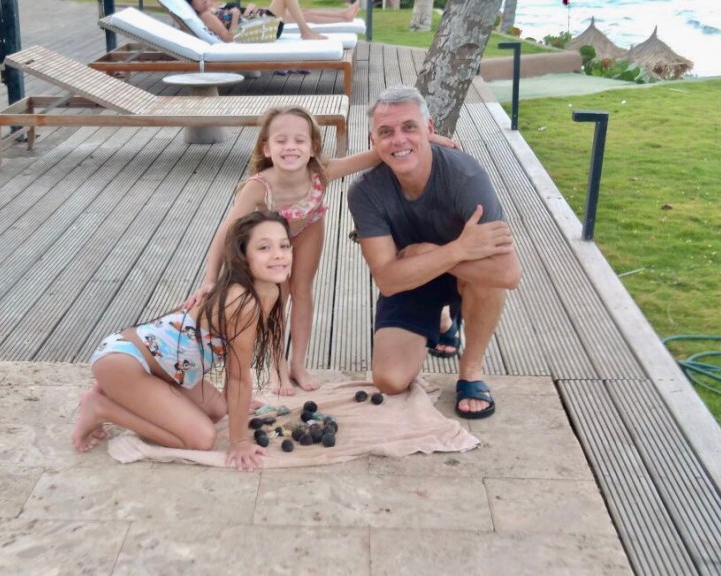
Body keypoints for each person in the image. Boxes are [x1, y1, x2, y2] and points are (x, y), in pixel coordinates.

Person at [183, 106, 459, 396]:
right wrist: (210, 279)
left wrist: (427, 138)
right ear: (266, 148)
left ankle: (298, 364)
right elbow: (226, 231)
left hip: (308, 227)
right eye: (281, 141)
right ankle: (278, 364)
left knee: (302, 290)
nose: (291, 147)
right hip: (272, 239)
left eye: (299, 140)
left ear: (313, 147)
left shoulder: (320, 173)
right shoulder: (258, 186)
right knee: (277, 296)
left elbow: (376, 154)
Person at [347, 86, 522, 419]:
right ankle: (443, 319)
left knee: (487, 281)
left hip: (464, 277)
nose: (398, 139)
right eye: (386, 132)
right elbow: (387, 280)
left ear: (429, 129)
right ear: (373, 141)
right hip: (411, 279)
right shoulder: (364, 191)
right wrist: (458, 249)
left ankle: (471, 370)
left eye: (409, 127)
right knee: (389, 380)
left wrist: (428, 252)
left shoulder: (466, 177)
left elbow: (508, 275)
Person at [72, 210, 292, 472]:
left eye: (284, 245)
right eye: (264, 247)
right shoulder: (240, 301)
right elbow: (238, 376)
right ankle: (101, 407)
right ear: (243, 256)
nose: (278, 254)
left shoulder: (270, 290)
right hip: (125, 360)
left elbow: (233, 355)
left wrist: (236, 404)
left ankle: (119, 391)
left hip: (162, 369)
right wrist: (240, 442)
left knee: (217, 410)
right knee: (201, 439)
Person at [190, 0, 359, 42]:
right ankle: (306, 32)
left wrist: (247, 10)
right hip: (260, 28)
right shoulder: (206, 16)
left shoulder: (212, 8)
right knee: (301, 12)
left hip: (256, 21)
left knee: (302, 12)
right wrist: (235, 16)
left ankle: (344, 15)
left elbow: (238, 13)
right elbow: (228, 37)